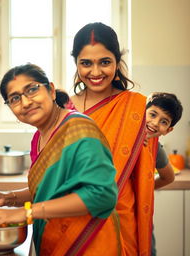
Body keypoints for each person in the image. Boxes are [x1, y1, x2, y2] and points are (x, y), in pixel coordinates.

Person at [0, 63, 121, 255]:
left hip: (88, 242)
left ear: (51, 90)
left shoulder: (80, 129)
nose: (25, 103)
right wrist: (7, 198)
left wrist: (26, 213)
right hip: (54, 243)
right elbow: (48, 190)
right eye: (15, 98)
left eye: (32, 89)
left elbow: (102, 195)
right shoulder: (39, 138)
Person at [68, 22, 158, 255]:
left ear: (117, 63)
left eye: (104, 62)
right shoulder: (63, 109)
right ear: (76, 64)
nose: (95, 72)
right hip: (71, 219)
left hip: (121, 219)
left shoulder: (136, 108)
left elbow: (143, 170)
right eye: (86, 63)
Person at [145, 92, 183, 256]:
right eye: (152, 114)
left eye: (163, 122)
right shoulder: (122, 135)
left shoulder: (156, 148)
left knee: (146, 247)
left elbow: (169, 177)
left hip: (140, 212)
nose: (154, 123)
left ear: (168, 130)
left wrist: (143, 189)